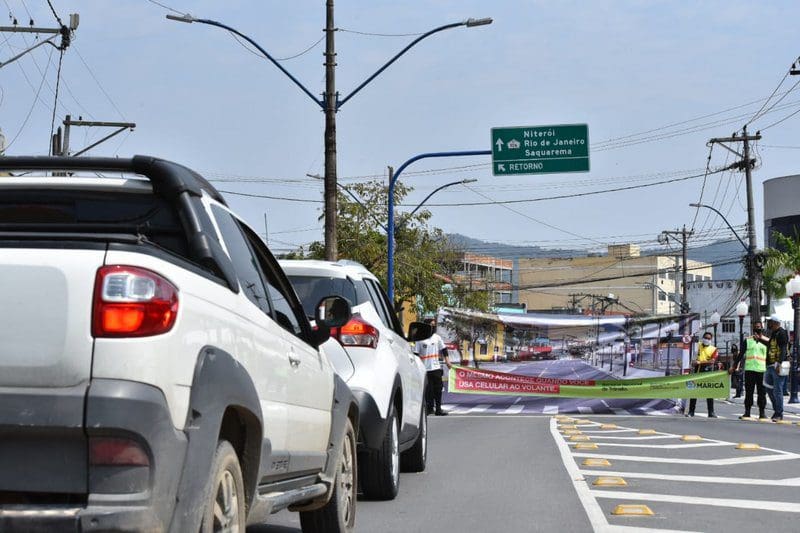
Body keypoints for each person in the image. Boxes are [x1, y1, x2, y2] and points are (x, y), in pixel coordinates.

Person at [414, 318, 452, 416]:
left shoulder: (437, 337)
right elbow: (416, 354)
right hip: (425, 369)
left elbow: (444, 349)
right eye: (431, 324)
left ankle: (438, 409)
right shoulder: (419, 338)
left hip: (436, 368)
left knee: (438, 389)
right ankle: (429, 408)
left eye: (434, 325)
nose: (433, 326)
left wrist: (447, 361)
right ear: (426, 325)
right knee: (428, 390)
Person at [756, 314, 789, 421]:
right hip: (769, 365)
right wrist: (760, 339)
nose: (768, 323)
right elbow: (770, 346)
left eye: (770, 322)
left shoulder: (782, 333)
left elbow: (783, 349)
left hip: (777, 365)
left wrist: (778, 363)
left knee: (777, 390)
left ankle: (779, 413)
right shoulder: (773, 333)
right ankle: (776, 411)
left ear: (775, 323)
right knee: (769, 388)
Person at [732, 321, 767, 420]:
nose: (757, 328)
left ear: (762, 328)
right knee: (749, 392)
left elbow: (770, 356)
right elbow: (740, 355)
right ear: (753, 328)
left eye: (759, 327)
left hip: (762, 370)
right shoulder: (747, 340)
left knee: (762, 393)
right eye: (756, 327)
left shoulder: (766, 341)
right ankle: (747, 412)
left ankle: (762, 413)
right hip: (750, 370)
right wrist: (734, 366)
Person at [686, 331, 718, 418]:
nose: (707, 340)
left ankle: (711, 412)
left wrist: (700, 362)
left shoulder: (713, 349)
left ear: (711, 340)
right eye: (705, 338)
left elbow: (712, 361)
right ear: (702, 338)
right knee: (694, 392)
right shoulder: (697, 345)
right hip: (696, 371)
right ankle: (691, 411)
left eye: (709, 338)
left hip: (707, 372)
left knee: (709, 392)